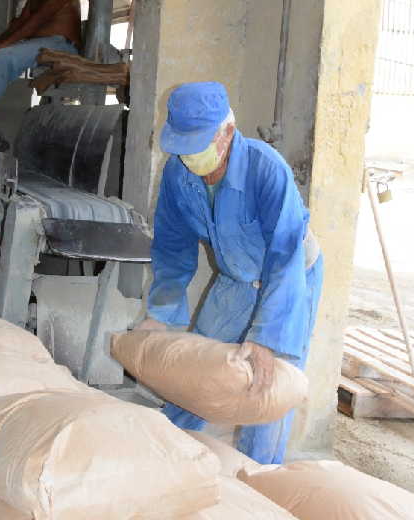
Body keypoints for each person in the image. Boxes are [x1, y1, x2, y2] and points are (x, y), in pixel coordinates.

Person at [138, 82, 324, 464]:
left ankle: (260, 477)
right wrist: (161, 313)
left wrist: (267, 338)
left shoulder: (265, 169)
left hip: (289, 278)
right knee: (196, 368)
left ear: (226, 133)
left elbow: (285, 255)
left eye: (198, 144)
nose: (189, 156)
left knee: (263, 386)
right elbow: (173, 250)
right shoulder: (178, 175)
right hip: (236, 278)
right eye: (182, 145)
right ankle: (165, 453)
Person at [0, 0, 81, 119]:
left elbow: (38, 20)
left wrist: (5, 43)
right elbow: (21, 21)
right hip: (42, 43)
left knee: (3, 56)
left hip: (63, 46)